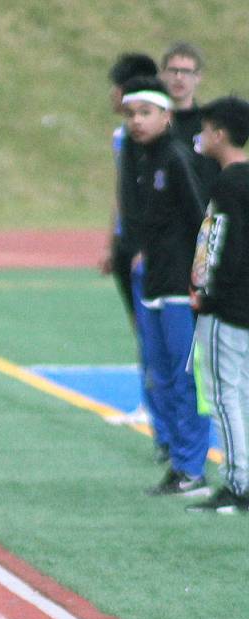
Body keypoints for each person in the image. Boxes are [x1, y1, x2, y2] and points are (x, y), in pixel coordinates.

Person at [119, 76, 211, 496]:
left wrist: (200, 280)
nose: (136, 122)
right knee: (161, 375)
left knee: (185, 376)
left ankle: (193, 468)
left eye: (145, 113)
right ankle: (178, 462)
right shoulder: (138, 160)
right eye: (131, 114)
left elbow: (202, 221)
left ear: (166, 116)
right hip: (153, 282)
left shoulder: (175, 158)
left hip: (179, 285)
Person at [101, 53, 171, 459]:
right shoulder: (123, 137)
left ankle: (163, 415)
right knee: (143, 331)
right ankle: (154, 409)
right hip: (131, 243)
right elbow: (122, 191)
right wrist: (111, 240)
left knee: (155, 334)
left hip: (150, 248)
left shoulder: (155, 142)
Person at [186, 96, 249, 513]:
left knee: (224, 393)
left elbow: (222, 243)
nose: (202, 136)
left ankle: (238, 482)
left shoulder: (228, 184)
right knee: (241, 391)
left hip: (227, 308)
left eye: (207, 129)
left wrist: (207, 293)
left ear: (220, 134)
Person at [159, 41, 220, 189]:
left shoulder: (208, 124)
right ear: (162, 74)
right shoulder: (152, 121)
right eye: (173, 70)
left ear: (198, 77)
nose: (179, 77)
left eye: (186, 72)